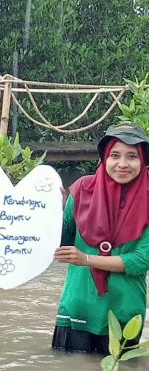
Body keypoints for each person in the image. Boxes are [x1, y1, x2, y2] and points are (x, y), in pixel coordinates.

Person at [52, 122, 149, 353]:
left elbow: (140, 260)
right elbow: (59, 243)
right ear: (104, 158)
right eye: (115, 155)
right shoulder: (81, 190)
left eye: (132, 156)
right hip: (77, 306)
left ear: (143, 160)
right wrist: (52, 213)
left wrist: (86, 258)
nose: (122, 164)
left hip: (123, 312)